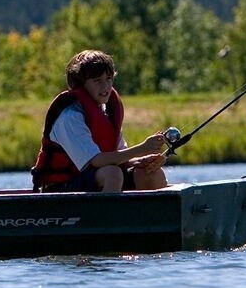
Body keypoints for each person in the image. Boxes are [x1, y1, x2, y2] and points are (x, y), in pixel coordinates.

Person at [31, 50, 168, 192]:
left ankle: (149, 214)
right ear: (81, 84)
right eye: (98, 81)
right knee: (113, 174)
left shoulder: (105, 113)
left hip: (94, 180)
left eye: (109, 79)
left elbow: (120, 156)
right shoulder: (70, 117)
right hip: (61, 188)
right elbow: (96, 161)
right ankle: (106, 214)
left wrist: (142, 160)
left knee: (150, 172)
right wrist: (143, 147)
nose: (105, 87)